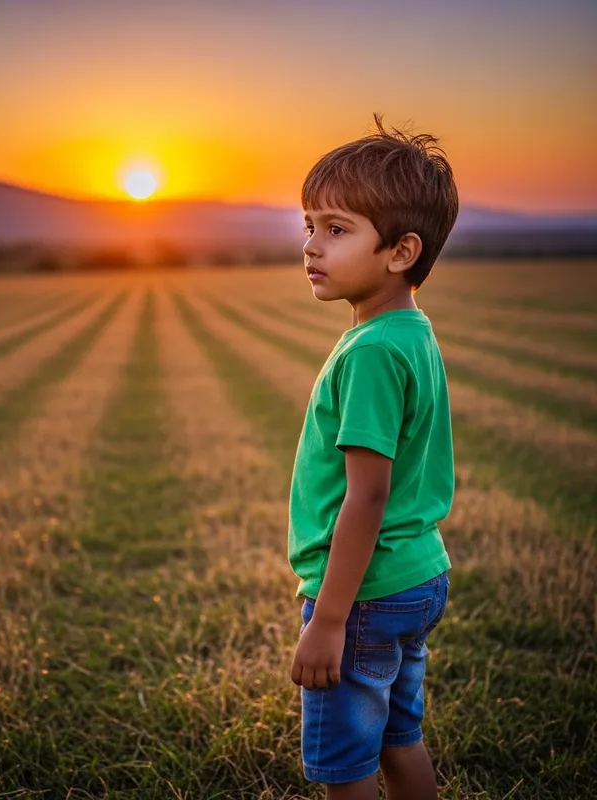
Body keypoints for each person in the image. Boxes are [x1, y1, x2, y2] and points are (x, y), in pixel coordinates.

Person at [288, 114, 459, 800]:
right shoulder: (410, 332)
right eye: (308, 224)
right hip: (416, 577)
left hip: (364, 594)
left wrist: (329, 621)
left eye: (336, 229)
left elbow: (367, 496)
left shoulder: (372, 353)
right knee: (398, 736)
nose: (310, 245)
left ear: (400, 250)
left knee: (346, 766)